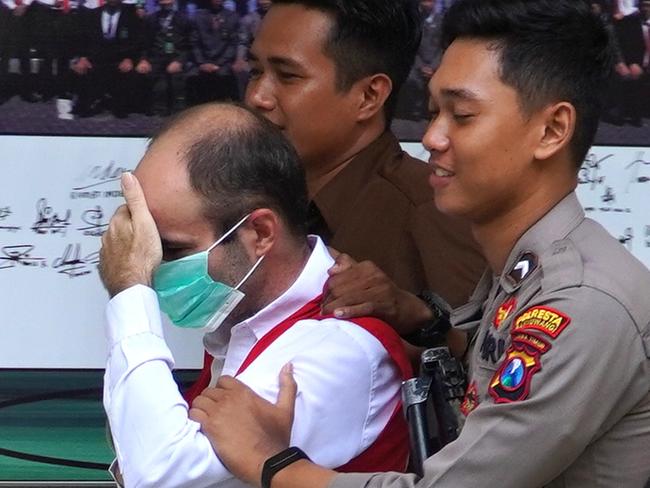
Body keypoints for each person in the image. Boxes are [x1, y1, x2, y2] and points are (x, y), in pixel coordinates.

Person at [189, 0, 650, 486]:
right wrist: (427, 326)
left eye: (463, 115)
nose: (431, 137)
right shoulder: (521, 274)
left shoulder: (581, 304)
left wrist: (270, 462)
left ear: (552, 130)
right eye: (433, 112)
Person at [98, 102, 414, 487]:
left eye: (172, 249)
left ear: (261, 233)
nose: (150, 264)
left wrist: (130, 289)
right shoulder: (243, 324)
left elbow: (158, 475)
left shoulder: (339, 349)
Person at [241, 0, 485, 355]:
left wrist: (417, 318)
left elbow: (479, 370)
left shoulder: (433, 209)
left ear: (369, 96)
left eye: (287, 76)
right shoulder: (253, 209)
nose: (257, 97)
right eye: (254, 71)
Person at [72, 0, 144, 117]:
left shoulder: (131, 14)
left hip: (121, 58)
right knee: (80, 68)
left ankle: (121, 105)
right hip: (97, 58)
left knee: (128, 72)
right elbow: (84, 39)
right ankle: (88, 103)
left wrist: (129, 58)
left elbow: (136, 40)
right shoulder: (93, 14)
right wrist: (83, 57)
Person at [135, 0, 192, 114]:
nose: (166, 3)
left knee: (177, 83)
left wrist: (180, 61)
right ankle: (158, 111)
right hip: (156, 58)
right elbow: (144, 44)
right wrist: (143, 60)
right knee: (159, 89)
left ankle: (179, 110)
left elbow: (189, 46)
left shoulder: (184, 20)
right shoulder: (150, 19)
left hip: (176, 58)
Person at [186, 0, 239, 104]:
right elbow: (194, 43)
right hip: (202, 61)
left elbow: (233, 45)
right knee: (192, 76)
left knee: (227, 74)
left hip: (224, 61)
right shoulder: (197, 16)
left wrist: (219, 63)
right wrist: (202, 63)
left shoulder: (233, 16)